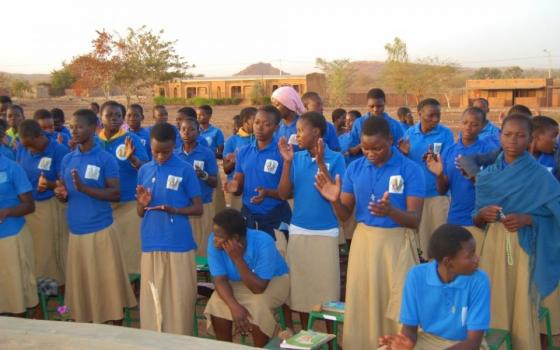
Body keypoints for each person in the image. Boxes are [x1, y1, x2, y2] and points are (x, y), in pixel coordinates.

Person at [315, 116, 424, 349]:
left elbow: (415, 220)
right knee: (365, 302)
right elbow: (345, 215)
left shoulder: (410, 169)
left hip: (396, 245)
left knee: (396, 305)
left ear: (391, 141)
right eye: (365, 148)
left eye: (378, 148)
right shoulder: (355, 168)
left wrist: (391, 211)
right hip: (364, 244)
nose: (371, 153)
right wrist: (334, 201)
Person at [473, 113, 560, 349]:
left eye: (521, 135)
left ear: (530, 139)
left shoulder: (542, 177)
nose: (513, 140)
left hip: (525, 251)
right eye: (508, 135)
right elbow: (477, 218)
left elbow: (556, 216)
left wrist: (529, 219)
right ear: (499, 136)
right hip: (493, 249)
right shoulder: (487, 177)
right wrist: (482, 215)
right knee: (495, 302)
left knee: (521, 304)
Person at [54, 108, 136, 323]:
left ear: (93, 128)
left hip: (100, 232)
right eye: (72, 127)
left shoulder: (105, 159)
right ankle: (88, 324)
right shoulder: (68, 159)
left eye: (79, 127)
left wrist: (85, 188)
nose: (74, 131)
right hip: (77, 233)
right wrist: (62, 194)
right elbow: (67, 193)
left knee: (107, 285)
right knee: (84, 284)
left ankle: (115, 326)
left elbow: (115, 193)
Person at [277, 111, 345, 329]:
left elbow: (335, 192)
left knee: (327, 291)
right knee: (303, 290)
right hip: (299, 231)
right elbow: (283, 193)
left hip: (325, 232)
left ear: (316, 132)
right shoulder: (295, 159)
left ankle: (330, 338)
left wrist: (321, 162)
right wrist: (287, 163)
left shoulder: (337, 159)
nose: (296, 135)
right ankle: (307, 336)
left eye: (300, 130)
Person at [136, 122, 202, 335]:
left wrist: (175, 210)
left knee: (179, 302)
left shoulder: (185, 170)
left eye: (165, 152)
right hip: (151, 243)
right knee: (152, 301)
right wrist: (142, 203)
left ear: (174, 145)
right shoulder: (144, 170)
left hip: (178, 244)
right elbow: (140, 212)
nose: (161, 156)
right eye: (156, 152)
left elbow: (198, 208)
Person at [379, 225, 490, 350]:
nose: (477, 259)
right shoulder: (416, 276)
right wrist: (403, 344)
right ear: (448, 262)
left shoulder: (479, 280)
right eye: (470, 255)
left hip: (465, 343)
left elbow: (473, 342)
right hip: (428, 339)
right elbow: (410, 330)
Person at [204, 209, 289, 347]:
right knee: (217, 302)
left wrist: (238, 259)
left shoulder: (263, 241)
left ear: (235, 238)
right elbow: (220, 280)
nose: (215, 239)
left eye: (219, 236)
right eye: (214, 234)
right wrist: (235, 307)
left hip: (274, 280)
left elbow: (258, 288)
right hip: (238, 282)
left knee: (258, 303)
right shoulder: (213, 242)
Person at [425, 107, 494, 254]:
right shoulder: (450, 150)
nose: (468, 127)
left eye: (474, 124)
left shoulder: (488, 152)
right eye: (465, 122)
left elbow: (492, 188)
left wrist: (473, 176)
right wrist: (439, 174)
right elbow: (442, 190)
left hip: (478, 220)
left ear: (482, 126)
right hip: (455, 219)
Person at [224, 105, 291, 239]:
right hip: (249, 214)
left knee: (275, 256)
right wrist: (235, 186)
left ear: (276, 128)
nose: (259, 128)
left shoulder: (283, 153)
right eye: (257, 122)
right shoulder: (243, 151)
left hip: (274, 215)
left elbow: (287, 193)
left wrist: (267, 193)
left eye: (266, 124)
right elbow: (239, 183)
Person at [399, 98, 454, 259]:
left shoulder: (445, 134)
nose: (435, 120)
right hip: (416, 196)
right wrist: (404, 154)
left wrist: (435, 161)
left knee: (439, 239)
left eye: (438, 115)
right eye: (430, 116)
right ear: (419, 113)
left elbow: (448, 163)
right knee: (419, 241)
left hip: (437, 195)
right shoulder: (409, 133)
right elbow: (405, 166)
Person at [98, 101, 148, 275]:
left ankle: (134, 288)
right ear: (100, 117)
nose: (114, 119)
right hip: (104, 205)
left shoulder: (130, 139)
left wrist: (132, 158)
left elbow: (145, 166)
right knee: (109, 253)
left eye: (118, 115)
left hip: (128, 203)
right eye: (109, 115)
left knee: (131, 251)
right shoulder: (96, 142)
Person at [17, 119, 69, 284]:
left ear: (41, 136)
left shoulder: (58, 150)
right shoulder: (23, 148)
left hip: (49, 206)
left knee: (46, 253)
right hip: (27, 208)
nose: (29, 150)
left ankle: (53, 289)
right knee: (32, 252)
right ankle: (40, 291)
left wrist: (49, 184)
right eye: (25, 146)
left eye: (31, 145)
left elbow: (65, 182)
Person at [0, 148, 37, 315]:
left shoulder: (12, 168)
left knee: (15, 290)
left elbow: (29, 205)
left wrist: (7, 212)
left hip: (11, 237)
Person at [176, 117, 218, 257]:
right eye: (183, 129)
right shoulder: (174, 155)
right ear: (179, 132)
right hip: (181, 207)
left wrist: (203, 175)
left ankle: (203, 277)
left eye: (192, 129)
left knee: (203, 245)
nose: (187, 133)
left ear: (198, 132)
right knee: (183, 247)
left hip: (203, 205)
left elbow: (214, 182)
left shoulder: (207, 153)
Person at [273, 88, 339, 152]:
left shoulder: (309, 124)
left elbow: (334, 151)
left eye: (277, 105)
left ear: (289, 104)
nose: (274, 109)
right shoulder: (274, 126)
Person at [348, 88, 404, 157]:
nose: (375, 109)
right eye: (372, 106)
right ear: (367, 105)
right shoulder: (359, 123)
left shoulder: (394, 125)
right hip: (364, 164)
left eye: (379, 106)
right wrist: (364, 144)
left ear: (384, 104)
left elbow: (400, 149)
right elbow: (351, 150)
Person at [223, 108, 256, 210]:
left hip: (256, 187)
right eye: (255, 121)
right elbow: (226, 169)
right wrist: (236, 160)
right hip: (238, 188)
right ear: (245, 121)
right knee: (237, 220)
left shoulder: (260, 139)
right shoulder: (232, 140)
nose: (259, 124)